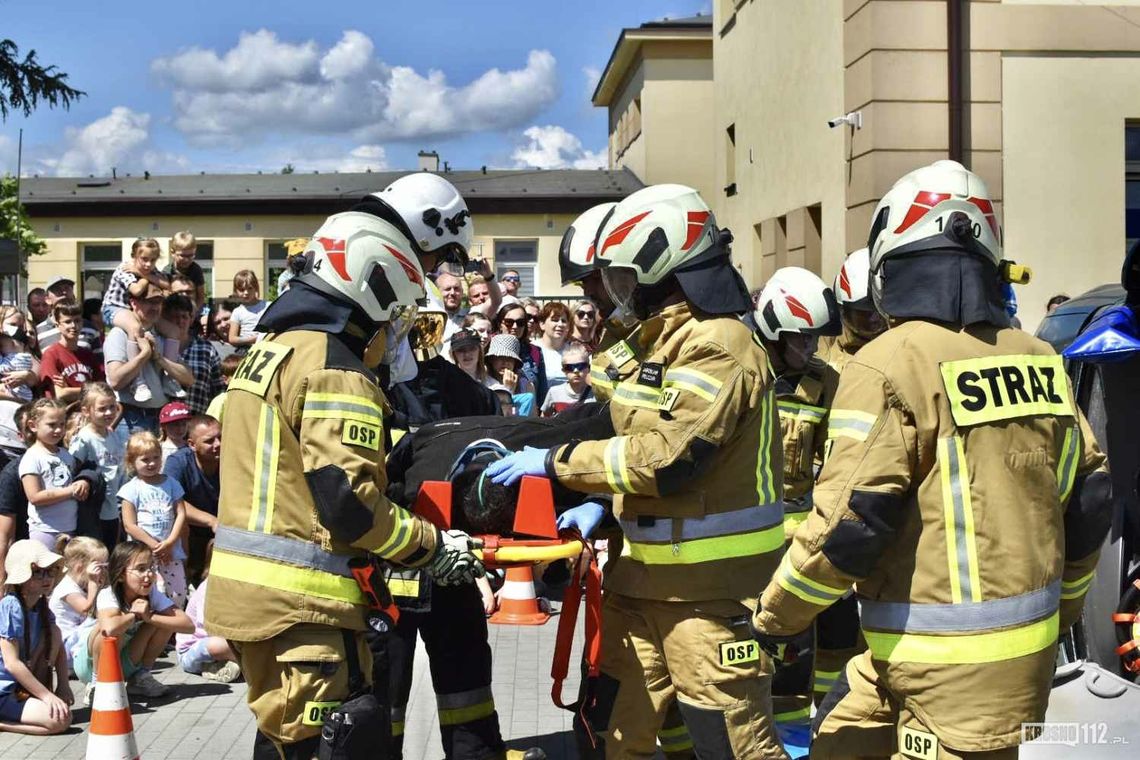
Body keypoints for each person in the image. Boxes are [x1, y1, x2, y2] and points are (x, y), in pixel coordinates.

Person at [750, 160, 1113, 759]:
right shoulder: (1039, 357)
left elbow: (846, 526)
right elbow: (1090, 500)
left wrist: (772, 620)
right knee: (839, 736)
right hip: (987, 663)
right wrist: (1064, 607)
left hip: (939, 668)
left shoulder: (887, 362)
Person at [488, 183, 788, 758]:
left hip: (707, 599)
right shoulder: (657, 343)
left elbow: (667, 458)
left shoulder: (719, 345)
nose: (614, 294)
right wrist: (601, 502)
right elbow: (620, 431)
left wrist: (557, 465)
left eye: (625, 279)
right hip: (639, 583)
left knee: (731, 745)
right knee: (613, 733)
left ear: (665, 272)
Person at [205, 208, 484, 760]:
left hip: (252, 597)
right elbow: (349, 503)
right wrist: (432, 546)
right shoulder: (336, 367)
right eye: (396, 316)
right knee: (328, 745)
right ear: (372, 288)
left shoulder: (269, 351)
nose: (392, 333)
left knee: (284, 740)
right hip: (304, 607)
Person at [751, 267, 841, 739]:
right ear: (772, 332)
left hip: (799, 536)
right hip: (746, 540)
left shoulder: (824, 383)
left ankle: (795, 738)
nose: (809, 348)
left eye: (813, 339)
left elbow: (837, 460)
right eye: (800, 339)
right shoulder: (745, 373)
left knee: (799, 645)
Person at [73, 541, 193, 700]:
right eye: (141, 569)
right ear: (121, 574)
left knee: (163, 621)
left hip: (125, 661)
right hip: (89, 665)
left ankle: (141, 677)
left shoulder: (152, 594)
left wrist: (150, 617)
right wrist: (133, 614)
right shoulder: (108, 593)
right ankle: (97, 684)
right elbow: (108, 630)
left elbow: (188, 626)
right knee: (111, 628)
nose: (149, 574)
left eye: (151, 567)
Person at [104, 280, 195, 434]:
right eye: (148, 302)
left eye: (158, 302)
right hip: (131, 418)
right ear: (133, 303)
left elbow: (188, 379)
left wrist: (160, 359)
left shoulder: (163, 335)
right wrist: (144, 355)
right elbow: (115, 380)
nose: (154, 307)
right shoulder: (119, 334)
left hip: (160, 417)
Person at [0, 539, 71, 735]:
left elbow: (59, 649)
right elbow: (11, 664)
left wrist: (63, 686)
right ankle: (4, 724)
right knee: (60, 721)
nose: (46, 577)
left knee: (54, 631)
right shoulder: (10, 605)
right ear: (22, 577)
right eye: (38, 572)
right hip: (4, 690)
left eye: (50, 571)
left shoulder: (41, 606)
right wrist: (47, 697)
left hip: (21, 686)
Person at [101, 238, 180, 405]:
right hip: (114, 308)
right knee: (135, 328)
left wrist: (146, 275)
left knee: (174, 331)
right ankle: (138, 382)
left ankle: (169, 378)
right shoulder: (124, 269)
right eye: (144, 259)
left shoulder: (150, 272)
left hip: (135, 311)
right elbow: (136, 290)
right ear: (134, 256)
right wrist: (147, 278)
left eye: (152, 260)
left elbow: (168, 285)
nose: (148, 264)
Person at [119, 431, 188, 608]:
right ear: (132, 462)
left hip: (170, 550)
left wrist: (170, 542)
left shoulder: (171, 483)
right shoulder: (131, 489)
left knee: (177, 591)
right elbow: (129, 525)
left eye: (156, 458)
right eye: (145, 459)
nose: (151, 463)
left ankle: (173, 628)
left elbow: (181, 513)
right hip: (144, 552)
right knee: (151, 589)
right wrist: (154, 546)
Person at [19, 399, 86, 550]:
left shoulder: (65, 455)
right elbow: (34, 497)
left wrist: (82, 485)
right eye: (51, 425)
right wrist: (70, 491)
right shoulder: (32, 457)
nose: (58, 430)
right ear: (33, 426)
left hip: (71, 526)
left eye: (61, 424)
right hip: (45, 530)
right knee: (48, 572)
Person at [68, 383, 128, 550]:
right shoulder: (84, 439)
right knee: (94, 553)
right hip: (93, 509)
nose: (109, 412)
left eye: (112, 407)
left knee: (109, 551)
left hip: (112, 508)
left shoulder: (113, 435)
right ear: (87, 411)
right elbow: (71, 468)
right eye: (102, 409)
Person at [163, 415, 220, 589]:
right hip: (191, 532)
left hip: (222, 530)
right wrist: (211, 520)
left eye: (221, 437)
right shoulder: (178, 462)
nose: (218, 444)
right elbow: (172, 501)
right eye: (209, 441)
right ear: (192, 444)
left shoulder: (231, 459)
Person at [817, 248, 887, 377]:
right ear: (843, 311)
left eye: (877, 312)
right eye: (863, 314)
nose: (872, 319)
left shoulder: (899, 348)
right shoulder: (823, 350)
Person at [47, 535, 107, 670]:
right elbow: (87, 609)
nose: (103, 570)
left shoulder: (82, 584)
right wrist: (93, 583)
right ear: (80, 566)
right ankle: (80, 667)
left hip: (78, 641)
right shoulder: (66, 587)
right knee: (100, 623)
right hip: (65, 647)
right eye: (99, 565)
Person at [165, 292, 223, 416]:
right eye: (175, 316)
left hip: (197, 420)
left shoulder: (206, 349)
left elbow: (218, 389)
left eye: (184, 317)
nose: (180, 321)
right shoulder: (159, 345)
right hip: (164, 422)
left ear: (191, 319)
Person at [176, 577, 240, 682]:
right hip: (191, 651)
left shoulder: (236, 587)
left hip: (229, 643)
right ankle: (244, 663)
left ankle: (229, 664)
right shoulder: (209, 588)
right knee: (219, 645)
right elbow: (209, 628)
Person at [38, 300, 102, 402]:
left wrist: (70, 389)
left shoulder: (88, 355)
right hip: (63, 413)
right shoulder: (51, 354)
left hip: (87, 412)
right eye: (67, 322)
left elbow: (102, 389)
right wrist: (91, 389)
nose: (73, 326)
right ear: (58, 324)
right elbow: (60, 394)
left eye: (77, 321)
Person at [495, 303, 547, 406]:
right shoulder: (489, 350)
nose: (515, 327)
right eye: (509, 322)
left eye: (520, 322)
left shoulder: (534, 352)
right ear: (499, 324)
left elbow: (542, 393)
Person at [485, 334, 536, 417]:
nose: (505, 362)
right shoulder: (484, 381)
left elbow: (533, 416)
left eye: (509, 358)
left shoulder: (527, 385)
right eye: (500, 357)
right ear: (491, 359)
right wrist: (508, 389)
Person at [540, 343, 594, 416]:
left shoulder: (595, 395)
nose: (575, 371)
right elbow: (544, 418)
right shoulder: (554, 392)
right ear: (564, 371)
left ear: (588, 368)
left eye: (581, 366)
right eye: (569, 367)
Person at [0, 307, 38, 403]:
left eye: (20, 326)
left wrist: (26, 375)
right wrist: (19, 399)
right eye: (12, 324)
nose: (17, 330)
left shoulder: (22, 348)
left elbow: (36, 378)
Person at [164, 231, 207, 313]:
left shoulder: (196, 270)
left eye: (191, 255)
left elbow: (201, 297)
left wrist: (193, 313)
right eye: (182, 256)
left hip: (192, 309)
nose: (187, 260)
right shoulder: (168, 271)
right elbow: (165, 294)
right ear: (172, 253)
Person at [532, 301, 571, 391]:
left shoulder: (574, 350)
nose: (560, 324)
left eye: (564, 321)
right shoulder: (532, 349)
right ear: (542, 324)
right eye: (555, 320)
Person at [227, 270, 267, 351]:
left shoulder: (267, 306)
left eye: (250, 288)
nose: (246, 292)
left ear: (256, 288)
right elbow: (232, 338)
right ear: (236, 291)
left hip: (266, 347)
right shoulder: (237, 312)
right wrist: (254, 339)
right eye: (242, 290)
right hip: (246, 349)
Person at [33, 276, 77, 351]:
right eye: (57, 290)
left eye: (67, 288)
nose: (64, 293)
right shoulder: (38, 332)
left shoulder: (88, 328)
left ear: (73, 295)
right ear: (47, 300)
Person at [204, 354, 241, 422]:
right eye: (237, 376)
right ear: (225, 379)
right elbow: (212, 425)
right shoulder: (221, 400)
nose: (241, 379)